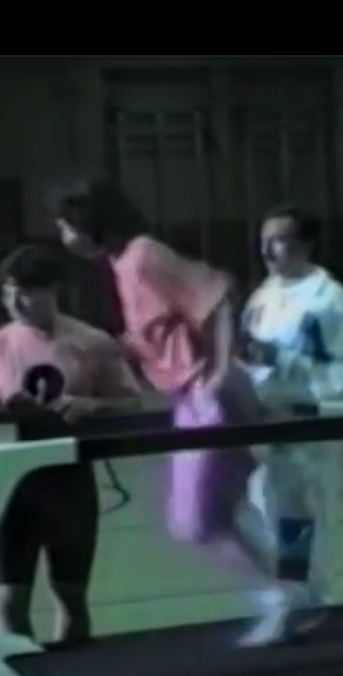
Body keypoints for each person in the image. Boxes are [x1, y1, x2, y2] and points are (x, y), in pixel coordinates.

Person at [50, 177, 305, 647]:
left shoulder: (144, 256)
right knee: (207, 519)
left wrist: (219, 372)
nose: (63, 237)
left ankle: (283, 597)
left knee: (198, 521)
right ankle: (287, 594)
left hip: (209, 394)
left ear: (89, 222)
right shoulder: (122, 266)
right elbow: (158, 338)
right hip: (190, 397)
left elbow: (218, 296)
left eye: (66, 226)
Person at [0, 245, 143, 644]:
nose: (15, 302)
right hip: (9, 487)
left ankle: (78, 670)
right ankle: (25, 674)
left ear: (52, 289)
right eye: (8, 293)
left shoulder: (92, 342)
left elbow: (130, 402)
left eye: (25, 292)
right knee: (8, 603)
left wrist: (91, 405)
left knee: (71, 598)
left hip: (68, 483)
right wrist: (1, 413)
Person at [243, 205, 343, 621]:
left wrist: (282, 362)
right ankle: (283, 593)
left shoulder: (329, 300)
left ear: (305, 244)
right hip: (265, 425)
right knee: (265, 508)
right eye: (263, 240)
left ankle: (311, 600)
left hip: (309, 428)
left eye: (278, 240)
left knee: (303, 516)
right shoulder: (263, 296)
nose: (267, 250)